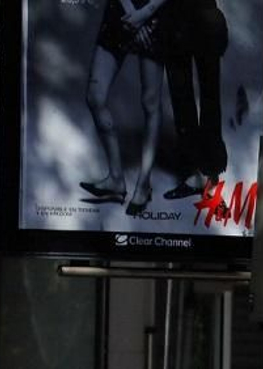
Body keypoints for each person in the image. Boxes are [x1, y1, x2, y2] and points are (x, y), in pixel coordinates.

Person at [80, 0, 170, 215]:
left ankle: (143, 183)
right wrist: (131, 14)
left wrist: (143, 15)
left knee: (150, 103)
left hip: (153, 17)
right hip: (121, 12)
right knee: (95, 97)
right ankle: (116, 179)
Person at [157, 0, 230, 202]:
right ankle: (197, 173)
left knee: (205, 98)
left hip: (201, 19)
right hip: (180, 21)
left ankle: (207, 172)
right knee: (187, 99)